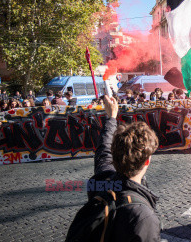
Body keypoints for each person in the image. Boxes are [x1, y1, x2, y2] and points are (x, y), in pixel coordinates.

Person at [67, 96, 161, 240]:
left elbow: (104, 149)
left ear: (115, 154)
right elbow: (104, 150)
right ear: (147, 161)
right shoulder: (143, 217)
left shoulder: (103, 179)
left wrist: (111, 117)